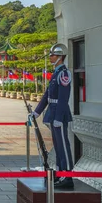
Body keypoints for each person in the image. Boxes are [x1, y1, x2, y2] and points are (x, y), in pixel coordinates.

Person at [31, 43, 74, 189]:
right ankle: (61, 172)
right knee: (57, 145)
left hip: (59, 114)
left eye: (53, 55)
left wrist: (58, 117)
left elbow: (63, 98)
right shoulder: (56, 73)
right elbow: (47, 96)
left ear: (60, 57)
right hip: (53, 111)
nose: (50, 57)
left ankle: (67, 175)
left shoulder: (64, 74)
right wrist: (36, 112)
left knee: (63, 145)